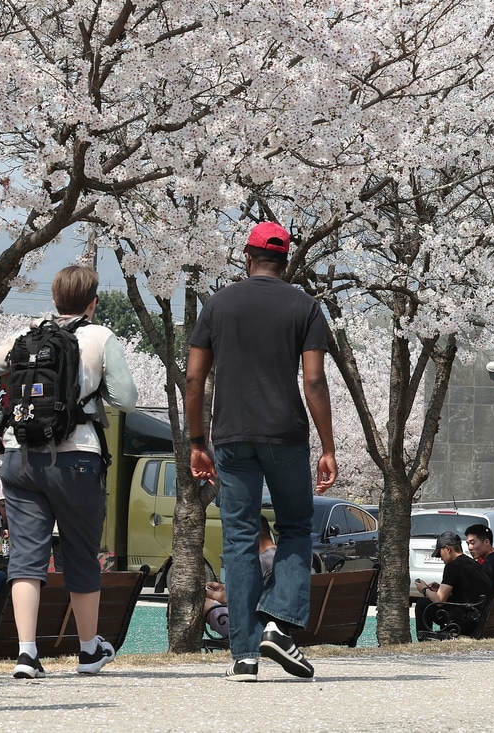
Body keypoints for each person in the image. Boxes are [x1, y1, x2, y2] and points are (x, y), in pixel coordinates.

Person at [186, 221, 337, 683]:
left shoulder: (217, 305)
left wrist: (196, 443)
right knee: (294, 527)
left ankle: (244, 657)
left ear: (246, 258)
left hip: (230, 436)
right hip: (286, 434)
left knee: (239, 539)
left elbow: (193, 379)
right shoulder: (306, 307)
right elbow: (313, 380)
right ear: (285, 261)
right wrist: (328, 446)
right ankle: (278, 624)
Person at [0, 264, 137, 680]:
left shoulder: (26, 337)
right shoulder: (99, 337)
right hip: (76, 459)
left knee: (27, 556)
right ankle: (87, 650)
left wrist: (1, 418)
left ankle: (27, 654)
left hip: (19, 455)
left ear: (54, 298)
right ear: (93, 302)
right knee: (80, 553)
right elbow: (128, 400)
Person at [205, 516, 278, 638]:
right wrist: (223, 587)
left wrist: (207, 593)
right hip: (277, 625)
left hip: (252, 630)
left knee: (201, 603)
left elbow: (230, 598)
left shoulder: (259, 561)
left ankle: (187, 650)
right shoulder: (280, 557)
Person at [413, 531, 494, 636]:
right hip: (479, 617)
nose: (441, 558)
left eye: (440, 553)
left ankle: (424, 638)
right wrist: (440, 588)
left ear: (447, 549)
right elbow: (466, 592)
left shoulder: (453, 566)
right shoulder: (471, 563)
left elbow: (439, 600)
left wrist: (424, 589)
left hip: (467, 622)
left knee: (423, 604)